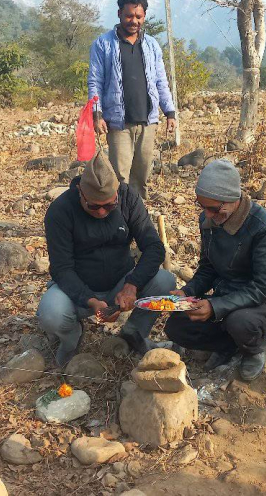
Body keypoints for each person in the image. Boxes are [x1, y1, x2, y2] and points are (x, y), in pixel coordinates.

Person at [38, 150, 176, 366]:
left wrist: (132, 285)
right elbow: (61, 268)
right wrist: (91, 301)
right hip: (77, 288)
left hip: (121, 284)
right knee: (51, 313)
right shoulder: (61, 210)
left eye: (109, 206)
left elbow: (154, 247)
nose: (101, 212)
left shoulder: (129, 198)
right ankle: (71, 338)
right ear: (80, 192)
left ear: (117, 195)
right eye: (93, 206)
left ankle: (134, 333)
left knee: (165, 281)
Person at [163, 160, 266, 382]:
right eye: (202, 207)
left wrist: (215, 306)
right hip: (224, 297)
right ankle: (230, 346)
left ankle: (255, 348)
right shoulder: (209, 219)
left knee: (239, 322)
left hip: (261, 304)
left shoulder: (263, 227)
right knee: (176, 326)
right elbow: (208, 268)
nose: (207, 215)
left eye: (213, 208)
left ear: (233, 200)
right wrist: (188, 291)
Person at [87, 0, 177, 200]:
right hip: (119, 123)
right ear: (119, 14)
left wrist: (170, 112)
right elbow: (95, 82)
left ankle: (139, 219)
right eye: (129, 16)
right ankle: (119, 221)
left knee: (142, 176)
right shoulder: (103, 44)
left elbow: (161, 82)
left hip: (148, 121)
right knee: (120, 177)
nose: (133, 21)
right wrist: (97, 114)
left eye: (138, 16)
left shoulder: (152, 45)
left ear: (144, 17)